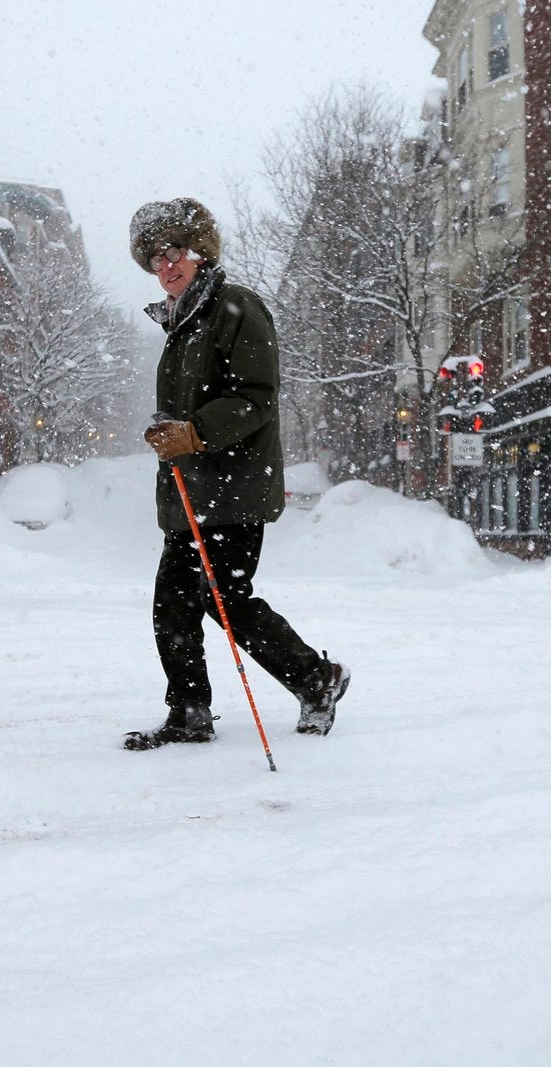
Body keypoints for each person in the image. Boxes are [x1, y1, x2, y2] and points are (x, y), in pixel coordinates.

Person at [123, 197, 349, 751]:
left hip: (233, 488)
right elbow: (188, 407)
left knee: (225, 599)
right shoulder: (181, 325)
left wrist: (195, 432)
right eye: (154, 258)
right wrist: (168, 432)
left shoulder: (235, 307)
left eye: (174, 250)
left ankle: (315, 680)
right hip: (190, 489)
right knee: (175, 601)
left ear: (199, 252)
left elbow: (255, 397)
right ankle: (190, 713)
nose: (165, 265)